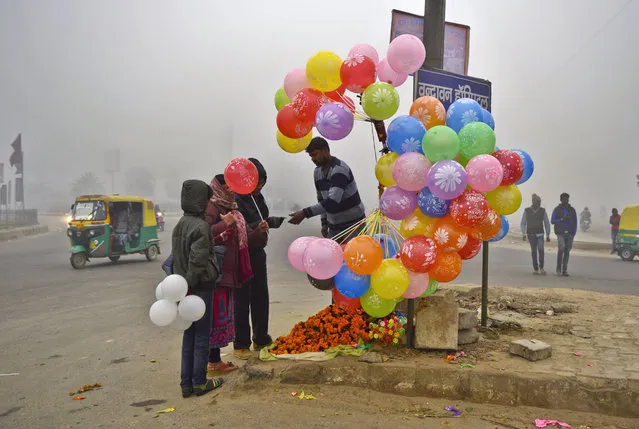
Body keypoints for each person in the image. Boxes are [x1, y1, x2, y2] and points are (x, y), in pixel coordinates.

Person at [205, 174, 269, 369]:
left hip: (238, 266)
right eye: (228, 187)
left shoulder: (233, 208)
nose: (232, 190)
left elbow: (246, 238)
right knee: (220, 314)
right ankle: (216, 359)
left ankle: (217, 359)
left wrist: (259, 230)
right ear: (218, 187)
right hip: (220, 269)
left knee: (230, 311)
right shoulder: (212, 207)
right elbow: (204, 233)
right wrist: (225, 223)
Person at [171, 180, 224, 398]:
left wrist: (183, 287)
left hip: (183, 287)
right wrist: (191, 284)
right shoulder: (201, 227)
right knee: (202, 335)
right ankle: (200, 382)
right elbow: (197, 259)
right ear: (199, 201)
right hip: (199, 287)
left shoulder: (180, 224)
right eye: (206, 199)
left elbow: (178, 258)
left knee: (189, 334)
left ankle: (186, 384)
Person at [234, 159, 284, 356]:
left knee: (261, 296)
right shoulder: (236, 199)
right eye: (257, 183)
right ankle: (241, 344)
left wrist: (270, 222)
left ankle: (261, 338)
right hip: (241, 254)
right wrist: (261, 224)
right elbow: (241, 226)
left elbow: (261, 219)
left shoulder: (258, 198)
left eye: (263, 183)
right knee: (242, 299)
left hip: (257, 252)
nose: (260, 187)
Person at [288, 137, 366, 241]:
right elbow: (322, 200)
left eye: (315, 154)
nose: (312, 159)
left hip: (354, 226)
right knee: (332, 256)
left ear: (325, 150)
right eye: (311, 156)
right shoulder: (317, 173)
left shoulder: (339, 169)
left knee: (354, 256)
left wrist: (304, 213)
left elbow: (332, 202)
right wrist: (324, 223)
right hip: (334, 227)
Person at [520, 194, 551, 275]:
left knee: (541, 250)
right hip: (531, 234)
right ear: (533, 202)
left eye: (540, 202)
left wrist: (548, 235)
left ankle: (541, 267)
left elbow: (546, 222)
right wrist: (523, 234)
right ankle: (536, 268)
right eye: (538, 202)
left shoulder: (542, 211)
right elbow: (523, 223)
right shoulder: (527, 211)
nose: (539, 204)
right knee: (534, 251)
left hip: (540, 234)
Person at [551, 193, 577, 276]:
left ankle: (564, 269)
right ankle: (558, 268)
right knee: (561, 248)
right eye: (565, 199)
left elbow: (575, 222)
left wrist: (573, 233)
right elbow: (552, 221)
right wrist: (561, 220)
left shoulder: (572, 210)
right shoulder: (557, 209)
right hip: (560, 233)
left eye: (567, 199)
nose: (566, 200)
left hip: (570, 233)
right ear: (561, 200)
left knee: (567, 251)